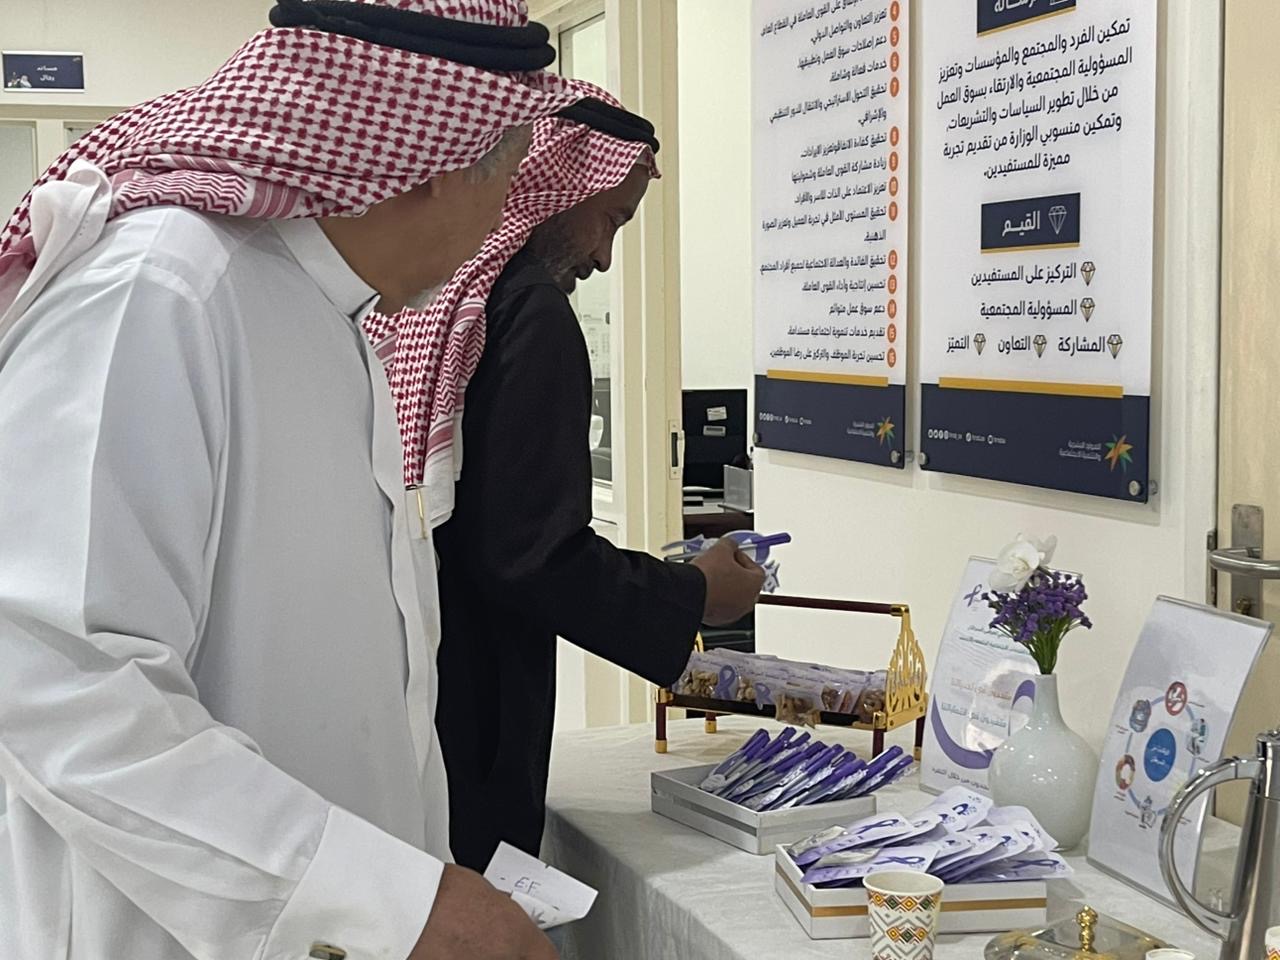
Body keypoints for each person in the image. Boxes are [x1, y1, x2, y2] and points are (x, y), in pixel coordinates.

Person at [0, 3, 593, 958]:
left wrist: (408, 890)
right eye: (508, 181)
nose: (505, 222)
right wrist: (381, 900)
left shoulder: (334, 320)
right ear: (438, 162)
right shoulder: (164, 292)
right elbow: (56, 677)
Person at [421, 98, 766, 871]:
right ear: (561, 186)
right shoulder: (529, 312)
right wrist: (694, 593)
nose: (604, 258)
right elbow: (528, 556)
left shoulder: (448, 298)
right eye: (611, 220)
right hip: (472, 693)